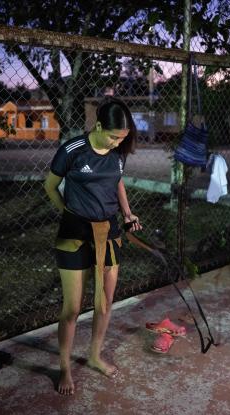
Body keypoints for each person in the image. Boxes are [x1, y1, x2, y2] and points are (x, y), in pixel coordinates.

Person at [43, 98, 142, 395]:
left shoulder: (118, 152)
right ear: (98, 126)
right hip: (74, 231)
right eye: (113, 136)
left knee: (105, 302)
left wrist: (127, 214)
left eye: (122, 138)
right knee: (72, 308)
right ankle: (64, 367)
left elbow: (118, 181)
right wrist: (68, 212)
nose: (117, 142)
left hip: (108, 232)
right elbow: (50, 186)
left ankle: (95, 356)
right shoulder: (72, 150)